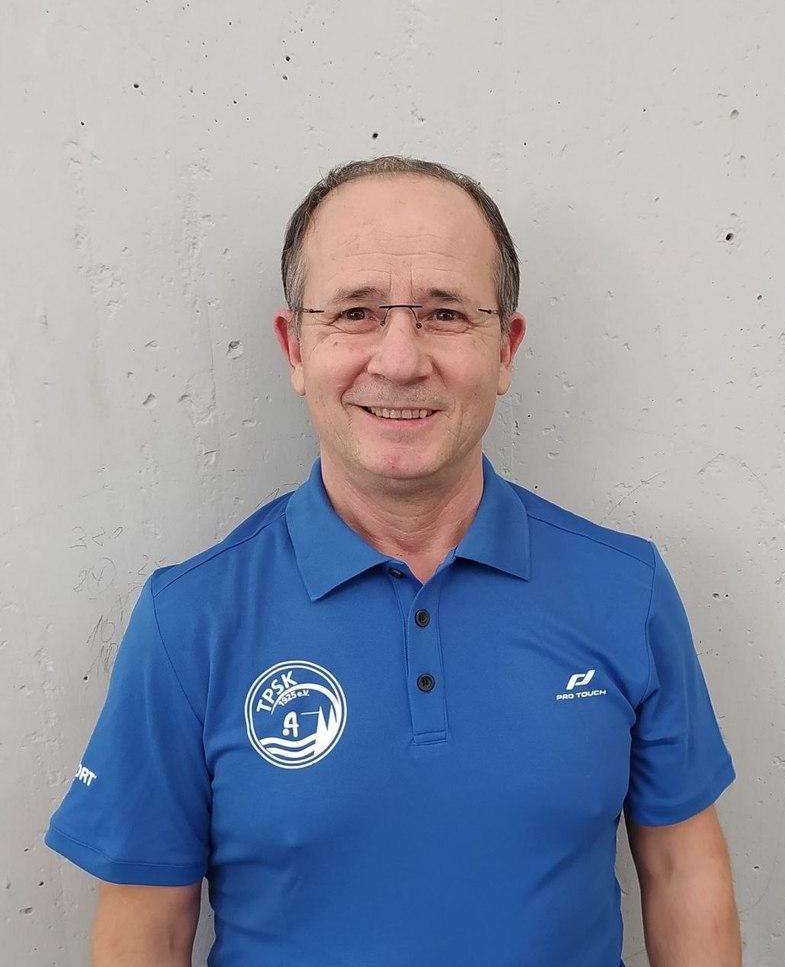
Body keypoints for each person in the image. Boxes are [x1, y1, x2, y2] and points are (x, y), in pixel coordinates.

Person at [44, 155, 742, 966]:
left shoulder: (626, 589)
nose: (401, 360)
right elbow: (145, 930)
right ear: (295, 347)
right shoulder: (188, 620)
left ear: (506, 349)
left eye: (445, 313)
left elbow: (682, 870)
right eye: (356, 313)